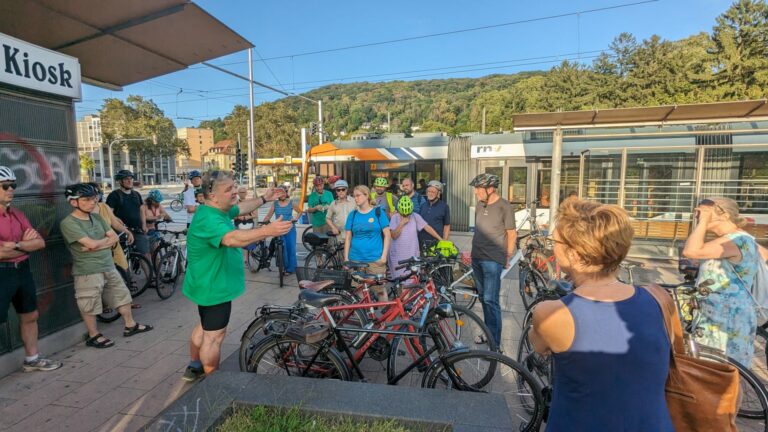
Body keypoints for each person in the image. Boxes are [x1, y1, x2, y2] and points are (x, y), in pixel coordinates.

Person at [530, 199, 673, 431]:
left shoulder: (552, 313)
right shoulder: (659, 297)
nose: (552, 247)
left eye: (554, 241)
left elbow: (537, 346)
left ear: (574, 254)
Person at [182, 171, 292, 381]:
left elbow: (240, 208)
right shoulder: (208, 219)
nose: (234, 192)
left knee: (205, 325)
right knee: (214, 336)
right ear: (212, 196)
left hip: (206, 284)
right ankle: (211, 379)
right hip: (214, 288)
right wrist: (267, 230)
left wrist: (263, 199)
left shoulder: (217, 209)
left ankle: (194, 365)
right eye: (228, 189)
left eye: (234, 186)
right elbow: (232, 239)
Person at [60, 184, 153, 349]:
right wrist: (100, 243)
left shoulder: (97, 218)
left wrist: (97, 245)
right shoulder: (69, 223)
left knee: (122, 295)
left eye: (93, 199)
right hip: (88, 271)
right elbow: (93, 243)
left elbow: (113, 238)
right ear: (74, 202)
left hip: (108, 265)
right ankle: (94, 335)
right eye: (87, 200)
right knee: (89, 302)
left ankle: (130, 325)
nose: (92, 202)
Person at [682, 197, 768, 367]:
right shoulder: (740, 238)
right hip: (722, 314)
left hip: (726, 318)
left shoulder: (736, 240)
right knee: (723, 372)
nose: (698, 216)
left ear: (723, 215)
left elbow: (691, 251)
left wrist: (703, 222)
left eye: (702, 213)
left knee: (723, 372)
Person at [0, 166, 62, 371]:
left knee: (29, 315)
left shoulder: (17, 214)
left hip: (22, 271)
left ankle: (32, 359)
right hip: (2, 272)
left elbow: (40, 243)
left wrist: (16, 246)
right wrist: (25, 246)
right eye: (5, 186)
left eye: (13, 185)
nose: (11, 190)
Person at [469, 173, 516, 346]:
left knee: (491, 300)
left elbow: (512, 234)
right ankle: (488, 333)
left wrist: (507, 256)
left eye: (478, 189)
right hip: (477, 257)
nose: (475, 192)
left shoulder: (505, 206)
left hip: (492, 260)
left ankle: (494, 342)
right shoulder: (480, 205)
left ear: (490, 189)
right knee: (483, 298)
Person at [344, 185, 391, 300]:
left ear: (367, 196)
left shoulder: (378, 212)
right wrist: (346, 259)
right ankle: (366, 315)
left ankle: (384, 318)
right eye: (354, 196)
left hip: (375, 260)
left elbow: (387, 235)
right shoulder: (353, 214)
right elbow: (348, 237)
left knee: (380, 290)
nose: (356, 198)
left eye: (358, 195)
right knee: (359, 290)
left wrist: (384, 257)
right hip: (356, 260)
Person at [389, 196, 442, 278]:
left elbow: (427, 227)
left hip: (412, 253)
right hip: (398, 255)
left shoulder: (415, 216)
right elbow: (394, 236)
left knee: (413, 279)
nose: (406, 215)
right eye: (403, 213)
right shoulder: (394, 217)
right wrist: (402, 223)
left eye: (408, 213)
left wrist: (440, 239)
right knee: (399, 280)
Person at [106, 170, 149, 256]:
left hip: (137, 230)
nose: (130, 181)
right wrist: (116, 219)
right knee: (122, 256)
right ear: (120, 181)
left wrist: (144, 224)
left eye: (131, 179)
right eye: (126, 179)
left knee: (145, 254)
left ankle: (148, 270)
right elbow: (108, 213)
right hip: (122, 231)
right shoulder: (114, 195)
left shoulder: (136, 194)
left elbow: (142, 210)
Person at [263, 185, 300, 275]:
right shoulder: (275, 204)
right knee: (283, 250)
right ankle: (283, 267)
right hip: (279, 230)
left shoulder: (291, 203)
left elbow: (300, 211)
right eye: (279, 193)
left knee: (291, 248)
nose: (282, 195)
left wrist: (295, 218)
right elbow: (269, 215)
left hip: (290, 229)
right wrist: (264, 222)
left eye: (283, 192)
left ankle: (290, 269)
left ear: (286, 193)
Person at [418, 180, 451, 247]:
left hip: (437, 242)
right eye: (429, 191)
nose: (430, 193)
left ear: (439, 193)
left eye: (433, 192)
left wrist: (444, 242)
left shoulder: (444, 206)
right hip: (421, 242)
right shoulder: (423, 205)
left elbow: (447, 226)